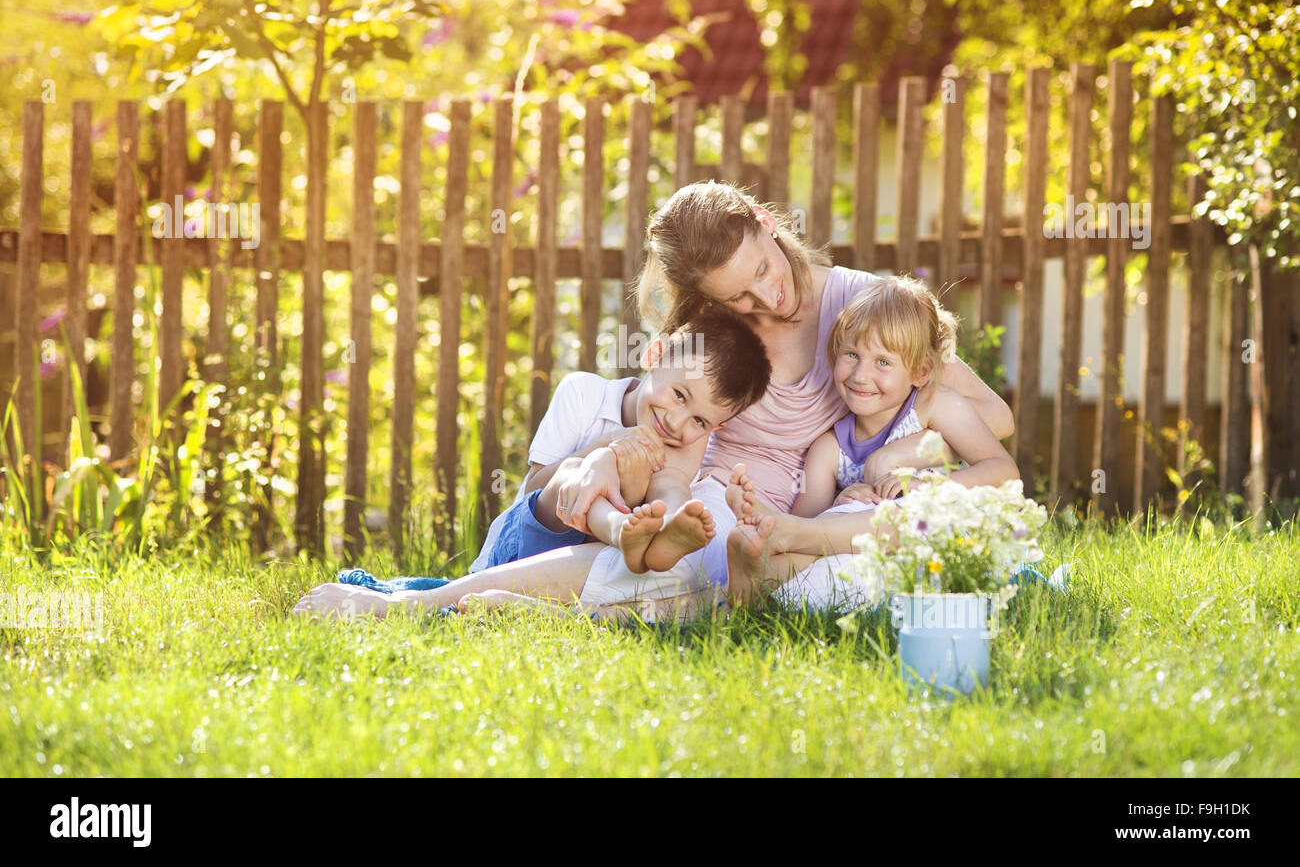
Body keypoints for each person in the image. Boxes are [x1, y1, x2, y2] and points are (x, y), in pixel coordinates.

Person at [292, 180, 1012, 621]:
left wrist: (906, 451)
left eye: (763, 271)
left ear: (766, 221)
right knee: (678, 549)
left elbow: (995, 422)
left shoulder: (864, 308)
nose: (769, 298)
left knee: (707, 565)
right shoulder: (718, 332)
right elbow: (663, 418)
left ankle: (528, 613)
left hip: (792, 520)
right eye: (741, 294)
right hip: (709, 499)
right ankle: (411, 608)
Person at [723, 273, 1020, 605]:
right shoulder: (828, 450)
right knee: (823, 540)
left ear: (921, 372)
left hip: (941, 529)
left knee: (902, 517)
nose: (861, 375)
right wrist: (842, 502)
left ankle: (766, 563)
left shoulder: (936, 406)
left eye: (882, 362)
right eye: (851, 355)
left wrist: (931, 489)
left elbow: (1003, 471)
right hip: (877, 546)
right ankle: (756, 574)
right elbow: (807, 524)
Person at [478, 308, 770, 576]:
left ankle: (668, 530)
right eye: (679, 395)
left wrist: (667, 507)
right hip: (516, 553)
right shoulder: (583, 394)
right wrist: (607, 447)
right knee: (574, 471)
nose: (675, 423)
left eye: (700, 421)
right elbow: (534, 488)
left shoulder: (688, 443)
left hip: (583, 573)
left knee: (671, 483)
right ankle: (618, 529)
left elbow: (669, 485)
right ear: (655, 356)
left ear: (717, 427)